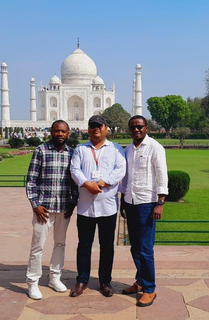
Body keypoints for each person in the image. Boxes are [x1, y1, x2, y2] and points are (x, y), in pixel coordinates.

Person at [69, 115, 126, 298]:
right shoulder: (81, 149)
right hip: (85, 206)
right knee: (84, 245)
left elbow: (120, 170)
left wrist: (101, 183)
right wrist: (87, 184)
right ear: (88, 128)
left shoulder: (116, 149)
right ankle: (82, 279)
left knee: (107, 246)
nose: (96, 129)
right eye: (92, 126)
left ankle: (105, 281)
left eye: (99, 126)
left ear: (105, 128)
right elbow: (74, 170)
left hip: (107, 206)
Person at [25, 120, 78, 300]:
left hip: (63, 207)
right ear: (51, 132)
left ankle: (55, 277)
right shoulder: (41, 150)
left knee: (60, 244)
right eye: (57, 131)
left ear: (68, 133)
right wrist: (35, 204)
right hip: (44, 209)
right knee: (38, 245)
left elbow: (74, 182)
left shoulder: (72, 153)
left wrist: (73, 202)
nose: (60, 134)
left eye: (63, 131)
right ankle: (32, 282)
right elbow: (31, 180)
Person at [120, 115, 168, 307]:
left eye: (139, 127)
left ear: (147, 128)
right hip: (130, 202)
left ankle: (150, 288)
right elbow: (126, 177)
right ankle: (140, 281)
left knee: (146, 249)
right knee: (135, 247)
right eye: (132, 127)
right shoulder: (129, 149)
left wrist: (161, 202)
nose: (136, 130)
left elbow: (162, 174)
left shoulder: (155, 147)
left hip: (147, 203)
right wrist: (123, 200)